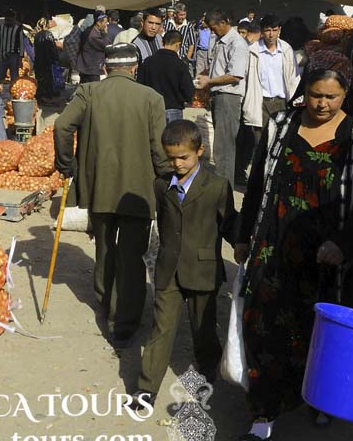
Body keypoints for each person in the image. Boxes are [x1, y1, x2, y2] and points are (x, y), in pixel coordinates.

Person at [231, 49, 353, 441]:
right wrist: (244, 235)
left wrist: (344, 244)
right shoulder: (281, 125)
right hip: (276, 247)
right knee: (265, 327)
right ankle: (262, 419)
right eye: (315, 94)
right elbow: (257, 183)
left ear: (346, 93)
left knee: (323, 333)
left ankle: (320, 396)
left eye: (331, 97)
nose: (321, 104)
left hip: (332, 259)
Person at [54, 43, 170, 348]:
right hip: (138, 191)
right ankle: (123, 323)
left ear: (106, 67)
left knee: (104, 246)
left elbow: (62, 126)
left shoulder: (88, 92)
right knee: (131, 255)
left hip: (99, 186)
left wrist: (67, 165)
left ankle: (105, 302)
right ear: (134, 68)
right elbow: (159, 150)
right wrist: (167, 179)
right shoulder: (152, 98)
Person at [134, 120, 232, 409]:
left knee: (203, 328)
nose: (177, 164)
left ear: (199, 151)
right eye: (171, 158)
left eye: (183, 157)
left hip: (203, 270)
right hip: (168, 269)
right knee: (160, 328)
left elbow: (229, 223)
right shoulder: (161, 185)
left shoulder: (217, 186)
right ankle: (146, 388)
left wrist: (243, 244)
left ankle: (207, 373)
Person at [196, 10, 249, 186]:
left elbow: (235, 75)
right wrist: (206, 77)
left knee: (224, 145)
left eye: (214, 28)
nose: (213, 31)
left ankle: (223, 187)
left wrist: (209, 81)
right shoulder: (220, 41)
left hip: (228, 96)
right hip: (218, 95)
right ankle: (222, 184)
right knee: (222, 143)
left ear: (224, 23)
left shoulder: (237, 43)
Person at [242, 14, 300, 150]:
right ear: (262, 31)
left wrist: (295, 100)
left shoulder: (286, 49)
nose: (271, 34)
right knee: (261, 141)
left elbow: (294, 76)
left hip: (282, 102)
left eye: (274, 30)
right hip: (261, 102)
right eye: (268, 30)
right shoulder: (253, 51)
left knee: (280, 140)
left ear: (279, 30)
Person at [137, 30, 195, 124]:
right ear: (178, 44)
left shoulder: (148, 62)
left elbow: (140, 85)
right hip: (173, 108)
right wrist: (186, 99)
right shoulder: (179, 65)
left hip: (152, 109)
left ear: (162, 42)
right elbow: (188, 90)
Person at [0, 9, 34, 85]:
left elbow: (21, 44)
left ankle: (14, 89)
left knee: (14, 77)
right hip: (2, 56)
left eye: (10, 19)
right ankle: (0, 89)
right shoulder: (0, 28)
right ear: (5, 19)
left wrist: (20, 58)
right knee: (0, 77)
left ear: (13, 19)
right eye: (7, 19)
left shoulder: (18, 29)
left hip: (13, 56)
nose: (9, 21)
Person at [75, 12, 112, 83]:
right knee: (93, 88)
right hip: (91, 69)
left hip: (86, 67)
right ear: (98, 23)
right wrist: (105, 34)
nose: (106, 25)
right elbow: (107, 46)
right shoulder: (93, 35)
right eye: (105, 22)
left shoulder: (89, 30)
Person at [33, 17, 60, 98]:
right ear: (47, 24)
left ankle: (40, 93)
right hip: (47, 59)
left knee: (40, 78)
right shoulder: (49, 34)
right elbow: (52, 47)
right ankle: (48, 93)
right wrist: (56, 58)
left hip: (38, 60)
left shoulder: (36, 35)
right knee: (48, 77)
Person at [180, 5, 200, 77]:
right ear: (175, 14)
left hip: (182, 57)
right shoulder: (167, 23)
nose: (183, 17)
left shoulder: (188, 26)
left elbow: (191, 44)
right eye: (181, 15)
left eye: (184, 15)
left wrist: (187, 59)